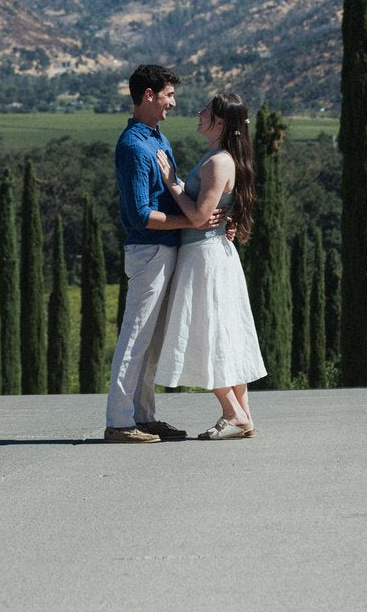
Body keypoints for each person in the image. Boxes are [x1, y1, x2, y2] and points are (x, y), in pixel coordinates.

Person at [104, 64, 222, 443]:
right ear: (149, 95)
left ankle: (143, 416)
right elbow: (139, 214)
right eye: (168, 95)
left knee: (152, 340)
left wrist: (212, 217)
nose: (173, 102)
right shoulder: (134, 146)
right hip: (148, 251)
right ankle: (120, 422)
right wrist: (190, 223)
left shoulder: (157, 139)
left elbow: (177, 193)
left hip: (164, 250)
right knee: (136, 335)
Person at [154, 91, 266, 439]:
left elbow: (201, 217)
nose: (198, 113)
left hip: (205, 257)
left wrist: (173, 184)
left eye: (206, 110)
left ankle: (233, 414)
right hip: (211, 255)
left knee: (205, 332)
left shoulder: (218, 162)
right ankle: (242, 416)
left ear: (220, 121)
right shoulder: (218, 157)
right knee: (225, 335)